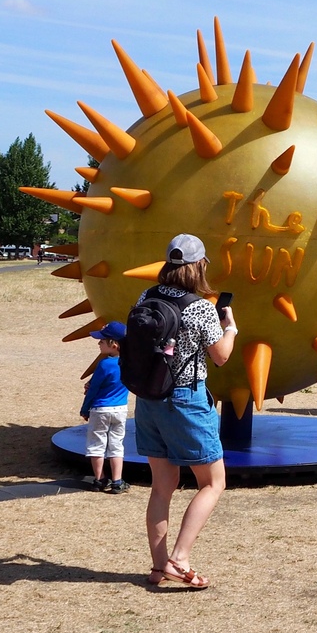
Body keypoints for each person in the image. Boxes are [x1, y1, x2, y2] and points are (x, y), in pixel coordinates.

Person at [135, 234, 237, 589]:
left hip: (149, 399)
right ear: (199, 265)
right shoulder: (200, 307)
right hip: (186, 400)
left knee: (162, 486)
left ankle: (158, 566)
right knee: (213, 482)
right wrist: (231, 328)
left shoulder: (146, 297)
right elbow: (221, 356)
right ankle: (179, 559)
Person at [80, 321, 130, 493]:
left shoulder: (104, 364)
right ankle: (117, 481)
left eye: (102, 341)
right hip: (120, 409)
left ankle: (100, 479)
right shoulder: (129, 363)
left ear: (114, 345)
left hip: (100, 409)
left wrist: (85, 409)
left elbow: (93, 389)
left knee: (96, 445)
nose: (98, 343)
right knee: (117, 445)